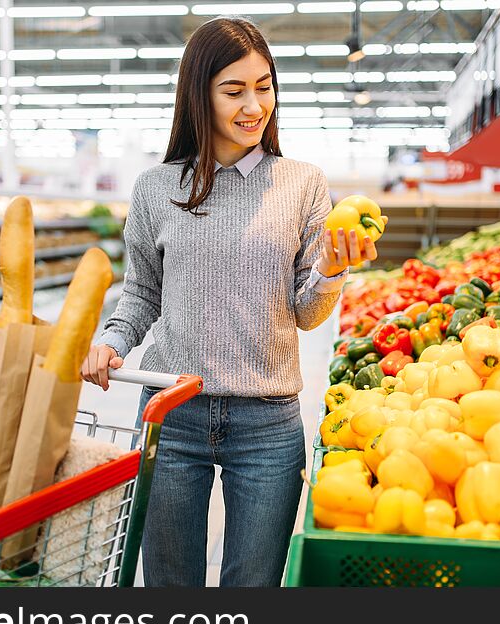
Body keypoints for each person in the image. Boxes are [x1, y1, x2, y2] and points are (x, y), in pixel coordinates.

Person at [82, 17, 377, 587]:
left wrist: (331, 270)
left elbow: (307, 313)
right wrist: (110, 343)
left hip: (267, 423)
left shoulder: (303, 183)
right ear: (200, 95)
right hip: (171, 414)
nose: (253, 106)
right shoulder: (156, 187)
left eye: (263, 86)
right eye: (234, 90)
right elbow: (142, 293)